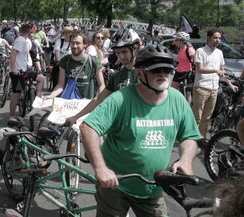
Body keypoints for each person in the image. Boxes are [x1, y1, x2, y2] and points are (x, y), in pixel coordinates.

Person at [80, 44, 202, 217]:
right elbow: (88, 128)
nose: (162, 74)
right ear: (139, 73)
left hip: (153, 188)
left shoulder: (178, 100)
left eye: (167, 69)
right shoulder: (120, 99)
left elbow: (189, 136)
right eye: (155, 70)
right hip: (115, 185)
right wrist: (100, 168)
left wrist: (186, 160)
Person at [66, 29, 141, 125]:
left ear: (136, 48)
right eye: (117, 53)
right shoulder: (117, 76)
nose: (121, 56)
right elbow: (98, 99)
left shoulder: (148, 73)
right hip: (121, 126)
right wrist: (76, 117)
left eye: (124, 52)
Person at [192, 29, 238, 147]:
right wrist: (214, 70)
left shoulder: (219, 53)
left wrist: (231, 85)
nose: (218, 40)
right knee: (197, 117)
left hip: (214, 89)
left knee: (207, 117)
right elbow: (199, 69)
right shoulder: (200, 51)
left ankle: (201, 139)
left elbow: (221, 72)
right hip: (201, 87)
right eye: (215, 38)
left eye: (219, 38)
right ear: (208, 38)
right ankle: (191, 140)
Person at [43, 31, 105, 100]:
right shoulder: (65, 61)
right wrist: (51, 96)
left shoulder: (94, 61)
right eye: (72, 43)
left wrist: (99, 98)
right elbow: (60, 85)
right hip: (69, 103)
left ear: (85, 44)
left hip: (88, 103)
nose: (74, 46)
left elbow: (101, 85)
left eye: (78, 43)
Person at [8, 23, 44, 124]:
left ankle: (36, 100)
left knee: (41, 78)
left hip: (24, 70)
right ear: (29, 32)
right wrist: (13, 68)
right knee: (16, 94)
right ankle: (11, 116)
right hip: (17, 72)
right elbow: (13, 53)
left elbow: (22, 56)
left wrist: (28, 66)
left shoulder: (23, 40)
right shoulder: (20, 40)